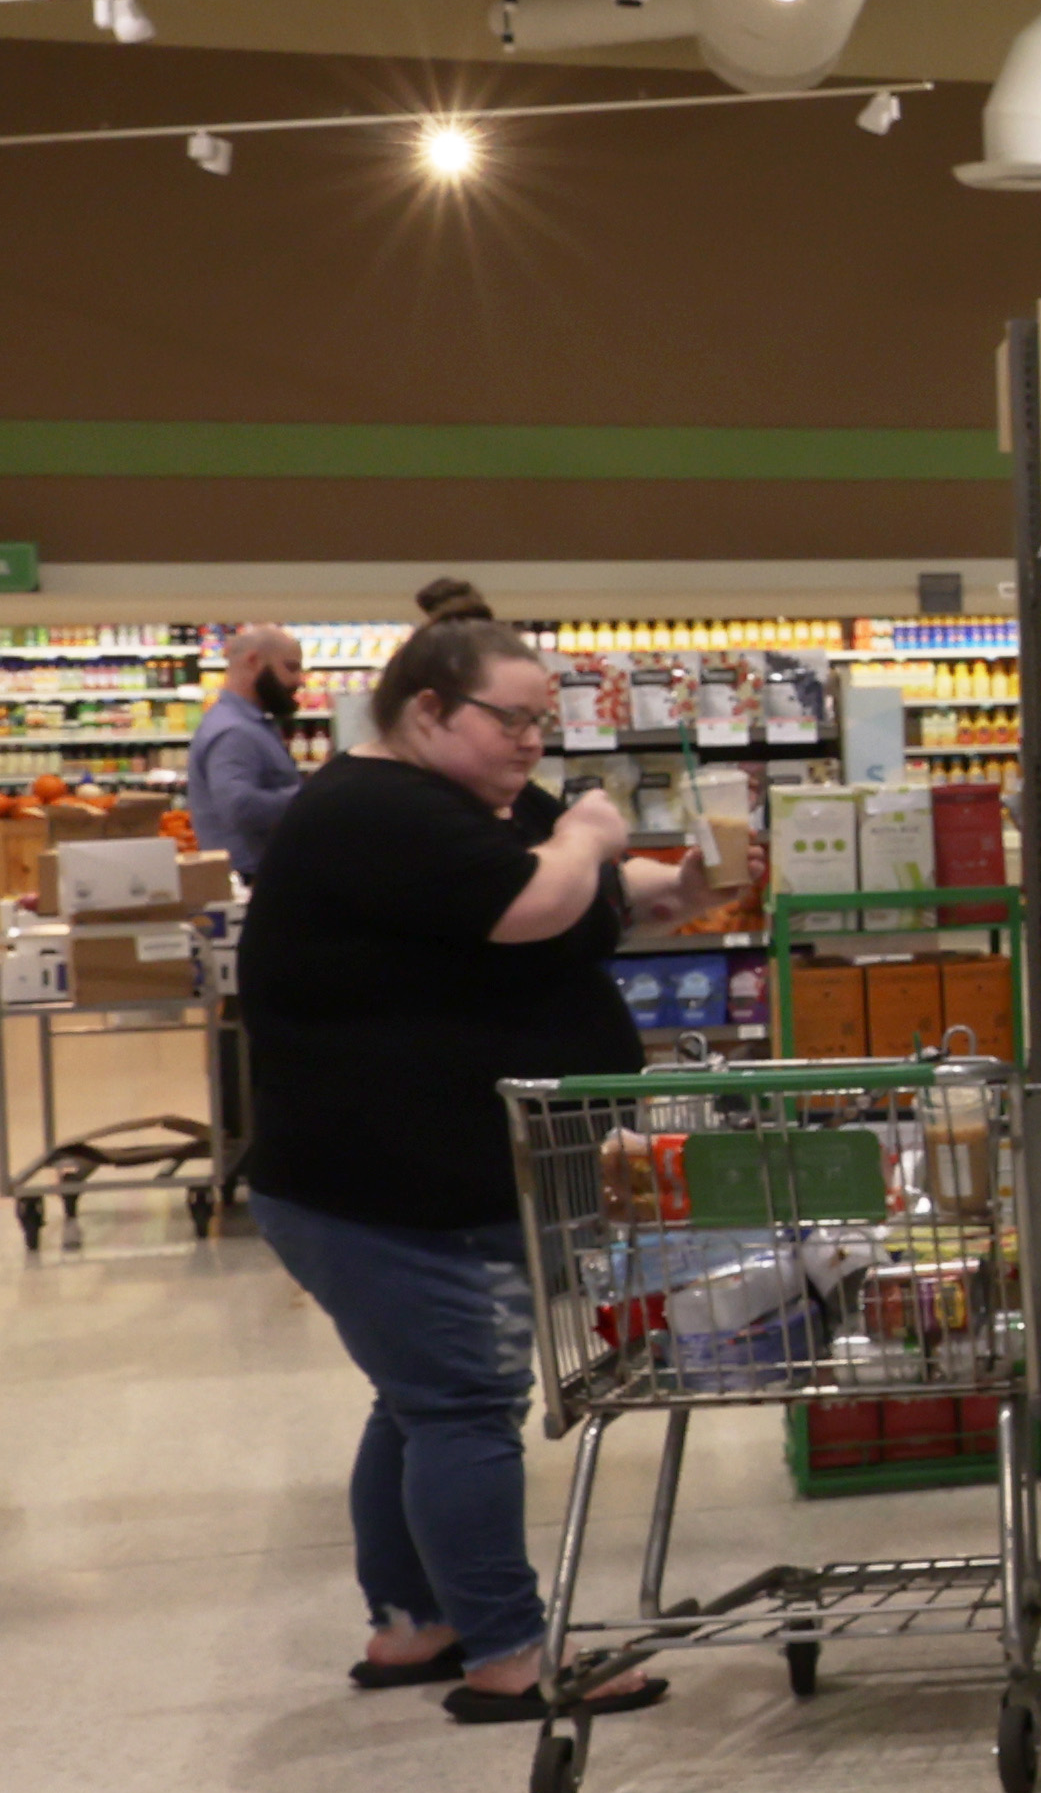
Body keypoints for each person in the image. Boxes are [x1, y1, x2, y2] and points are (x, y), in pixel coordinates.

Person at [237, 615, 706, 1723]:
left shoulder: (461, 800)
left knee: (417, 1404)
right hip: (385, 1186)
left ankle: (415, 1624)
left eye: (549, 719)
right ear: (428, 710)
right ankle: (507, 1651)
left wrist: (665, 889)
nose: (535, 741)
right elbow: (530, 898)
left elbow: (572, 891)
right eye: (516, 719)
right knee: (461, 1407)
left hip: (411, 1176)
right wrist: (593, 839)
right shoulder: (374, 808)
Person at [182, 622, 306, 872]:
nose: (299, 680)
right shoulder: (234, 731)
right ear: (253, 661)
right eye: (290, 667)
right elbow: (239, 808)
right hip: (250, 878)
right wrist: (310, 797)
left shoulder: (251, 725)